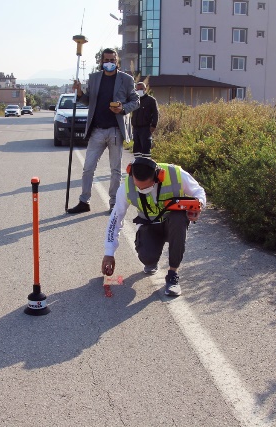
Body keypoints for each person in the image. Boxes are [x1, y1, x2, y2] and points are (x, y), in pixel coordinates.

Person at [101, 157, 206, 296]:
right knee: (147, 259)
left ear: (158, 177)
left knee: (179, 217)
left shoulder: (175, 174)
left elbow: (199, 192)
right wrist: (109, 253)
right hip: (149, 226)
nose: (141, 190)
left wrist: (198, 206)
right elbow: (116, 219)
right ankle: (151, 257)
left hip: (172, 225)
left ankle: (173, 275)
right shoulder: (126, 187)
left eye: (146, 187)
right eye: (138, 186)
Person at [67, 48, 140, 215]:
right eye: (106, 60)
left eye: (112, 60)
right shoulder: (94, 78)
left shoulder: (126, 79)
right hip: (97, 130)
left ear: (117, 62)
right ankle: (84, 201)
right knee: (88, 168)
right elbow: (87, 100)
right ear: (101, 62)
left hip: (115, 130)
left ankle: (114, 203)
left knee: (115, 170)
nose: (109, 63)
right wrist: (79, 92)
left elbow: (135, 101)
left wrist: (122, 109)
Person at [131, 81, 159, 159]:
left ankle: (145, 166)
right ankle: (138, 165)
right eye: (137, 89)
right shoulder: (134, 100)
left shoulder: (151, 100)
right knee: (136, 148)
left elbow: (156, 113)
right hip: (136, 128)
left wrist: (153, 125)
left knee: (146, 148)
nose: (139, 90)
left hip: (146, 128)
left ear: (145, 89)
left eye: (141, 88)